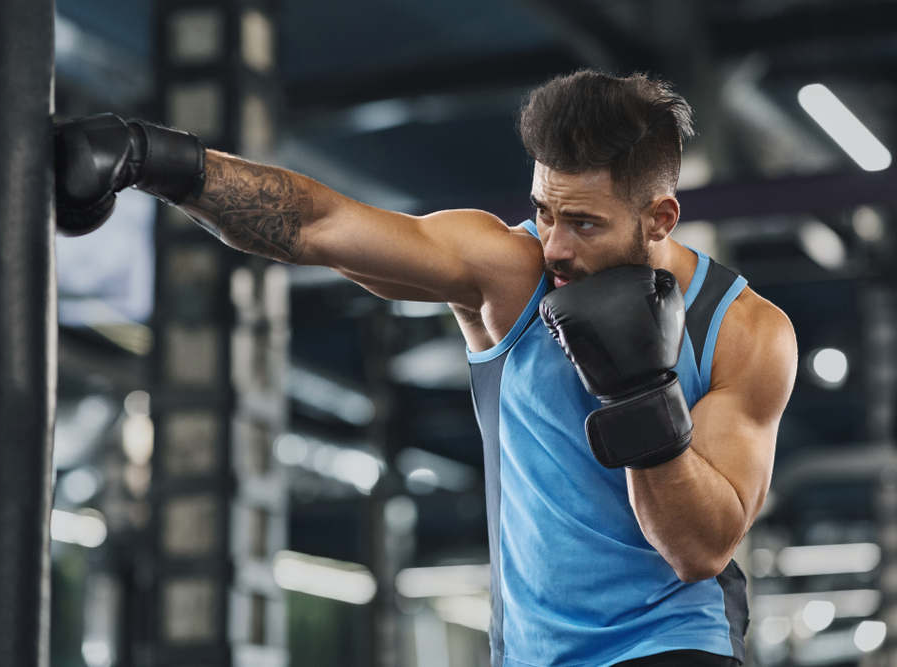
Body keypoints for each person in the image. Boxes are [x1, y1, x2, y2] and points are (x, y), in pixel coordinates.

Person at [55, 70, 797, 667]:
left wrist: (639, 392)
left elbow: (699, 550)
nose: (556, 246)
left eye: (584, 223)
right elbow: (320, 225)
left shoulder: (744, 331)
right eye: (545, 211)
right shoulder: (509, 274)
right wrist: (152, 159)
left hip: (671, 644)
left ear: (660, 218)